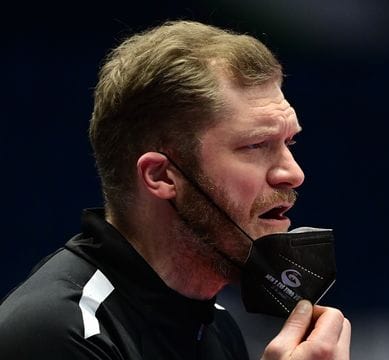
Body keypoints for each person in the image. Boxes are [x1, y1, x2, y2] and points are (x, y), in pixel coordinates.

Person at [0, 20, 350, 359]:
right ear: (162, 176)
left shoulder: (218, 329)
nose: (294, 173)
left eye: (289, 142)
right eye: (257, 145)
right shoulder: (56, 334)